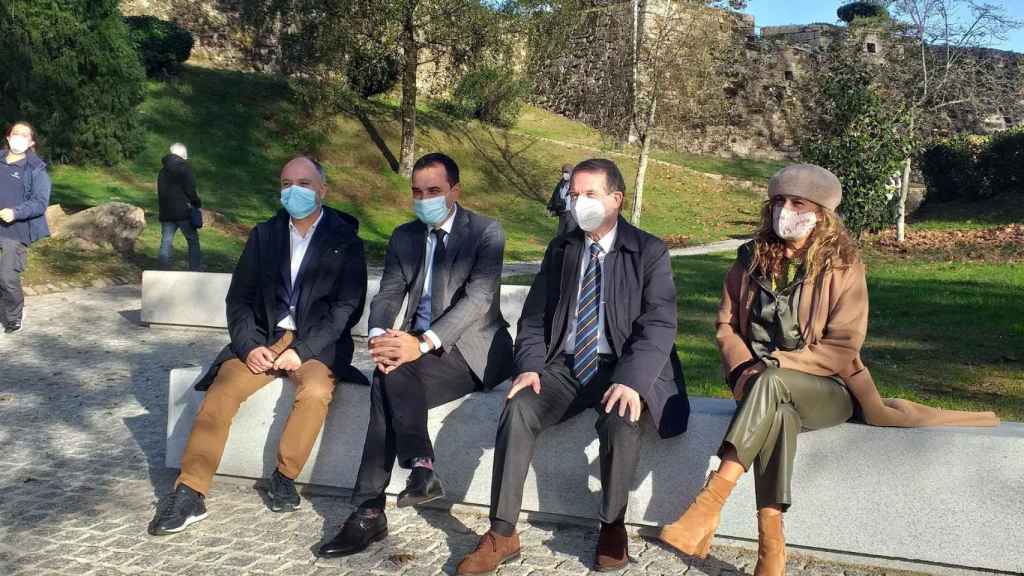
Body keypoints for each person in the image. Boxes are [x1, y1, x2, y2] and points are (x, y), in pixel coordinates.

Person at [659, 164, 1000, 576]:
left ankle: (709, 504)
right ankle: (772, 547)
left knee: (774, 382)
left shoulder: (843, 266)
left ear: (821, 213)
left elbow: (843, 346)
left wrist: (773, 364)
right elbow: (727, 327)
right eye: (779, 202)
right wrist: (743, 370)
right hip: (760, 386)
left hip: (830, 389)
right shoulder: (749, 260)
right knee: (778, 414)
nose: (785, 211)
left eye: (797, 204)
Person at [456, 158, 690, 574]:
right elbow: (533, 318)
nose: (579, 202)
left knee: (621, 420)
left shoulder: (649, 251)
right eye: (574, 194)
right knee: (519, 405)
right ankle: (503, 531)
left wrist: (633, 381)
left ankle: (612, 525)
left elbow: (659, 323)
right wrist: (528, 366)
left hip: (621, 365)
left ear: (616, 199)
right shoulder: (562, 248)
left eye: (590, 194)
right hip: (565, 366)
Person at [149, 156, 368, 535]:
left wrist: (303, 351)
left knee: (315, 391)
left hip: (314, 343)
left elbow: (346, 307)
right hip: (265, 338)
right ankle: (190, 490)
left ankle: (285, 475)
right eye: (286, 183)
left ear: (322, 190)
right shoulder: (264, 235)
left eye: (303, 182)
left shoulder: (345, 239)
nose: (293, 190)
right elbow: (239, 299)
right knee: (221, 392)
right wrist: (249, 345)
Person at [318, 152, 514, 558]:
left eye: (434, 191)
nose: (424, 199)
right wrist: (379, 337)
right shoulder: (405, 236)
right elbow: (389, 292)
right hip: (416, 349)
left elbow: (478, 299)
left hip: (471, 350)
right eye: (417, 192)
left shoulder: (485, 232)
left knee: (384, 380)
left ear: (455, 191)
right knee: (387, 371)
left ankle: (372, 509)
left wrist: (421, 343)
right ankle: (419, 469)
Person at [0, 121, 51, 334]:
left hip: (15, 231)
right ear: (8, 137)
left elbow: (40, 202)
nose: (18, 138)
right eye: (15, 133)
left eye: (24, 135)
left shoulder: (36, 170)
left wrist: (15, 212)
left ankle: (13, 317)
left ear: (31, 142)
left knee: (7, 277)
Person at [158, 142, 202, 271]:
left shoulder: (162, 171)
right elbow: (190, 190)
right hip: (184, 212)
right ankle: (195, 269)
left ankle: (163, 270)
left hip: (166, 212)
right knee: (192, 241)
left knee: (166, 242)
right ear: (183, 155)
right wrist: (197, 203)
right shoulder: (185, 168)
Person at [547, 163, 576, 237]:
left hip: (572, 213)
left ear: (571, 172)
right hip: (562, 212)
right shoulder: (561, 184)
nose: (565, 174)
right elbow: (555, 196)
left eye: (567, 172)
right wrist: (551, 208)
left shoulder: (576, 184)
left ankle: (568, 248)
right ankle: (559, 248)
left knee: (570, 234)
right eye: (563, 172)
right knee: (560, 234)